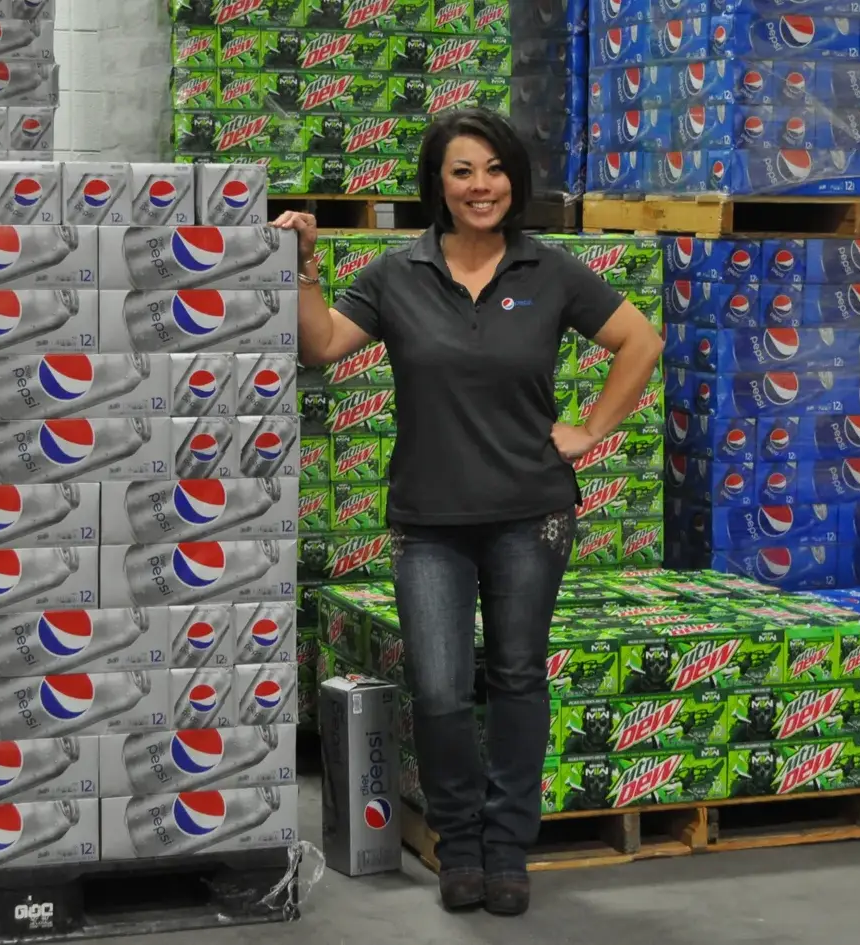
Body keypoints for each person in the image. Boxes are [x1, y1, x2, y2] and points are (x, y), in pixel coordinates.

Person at [276, 108, 663, 916]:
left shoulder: (550, 272)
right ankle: (459, 843)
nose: (480, 185)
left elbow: (640, 342)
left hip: (532, 513)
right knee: (442, 688)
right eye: (461, 171)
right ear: (438, 185)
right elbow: (319, 346)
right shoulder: (396, 273)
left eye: (493, 168)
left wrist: (589, 430)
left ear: (513, 179)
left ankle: (506, 849)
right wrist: (304, 264)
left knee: (519, 675)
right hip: (429, 521)